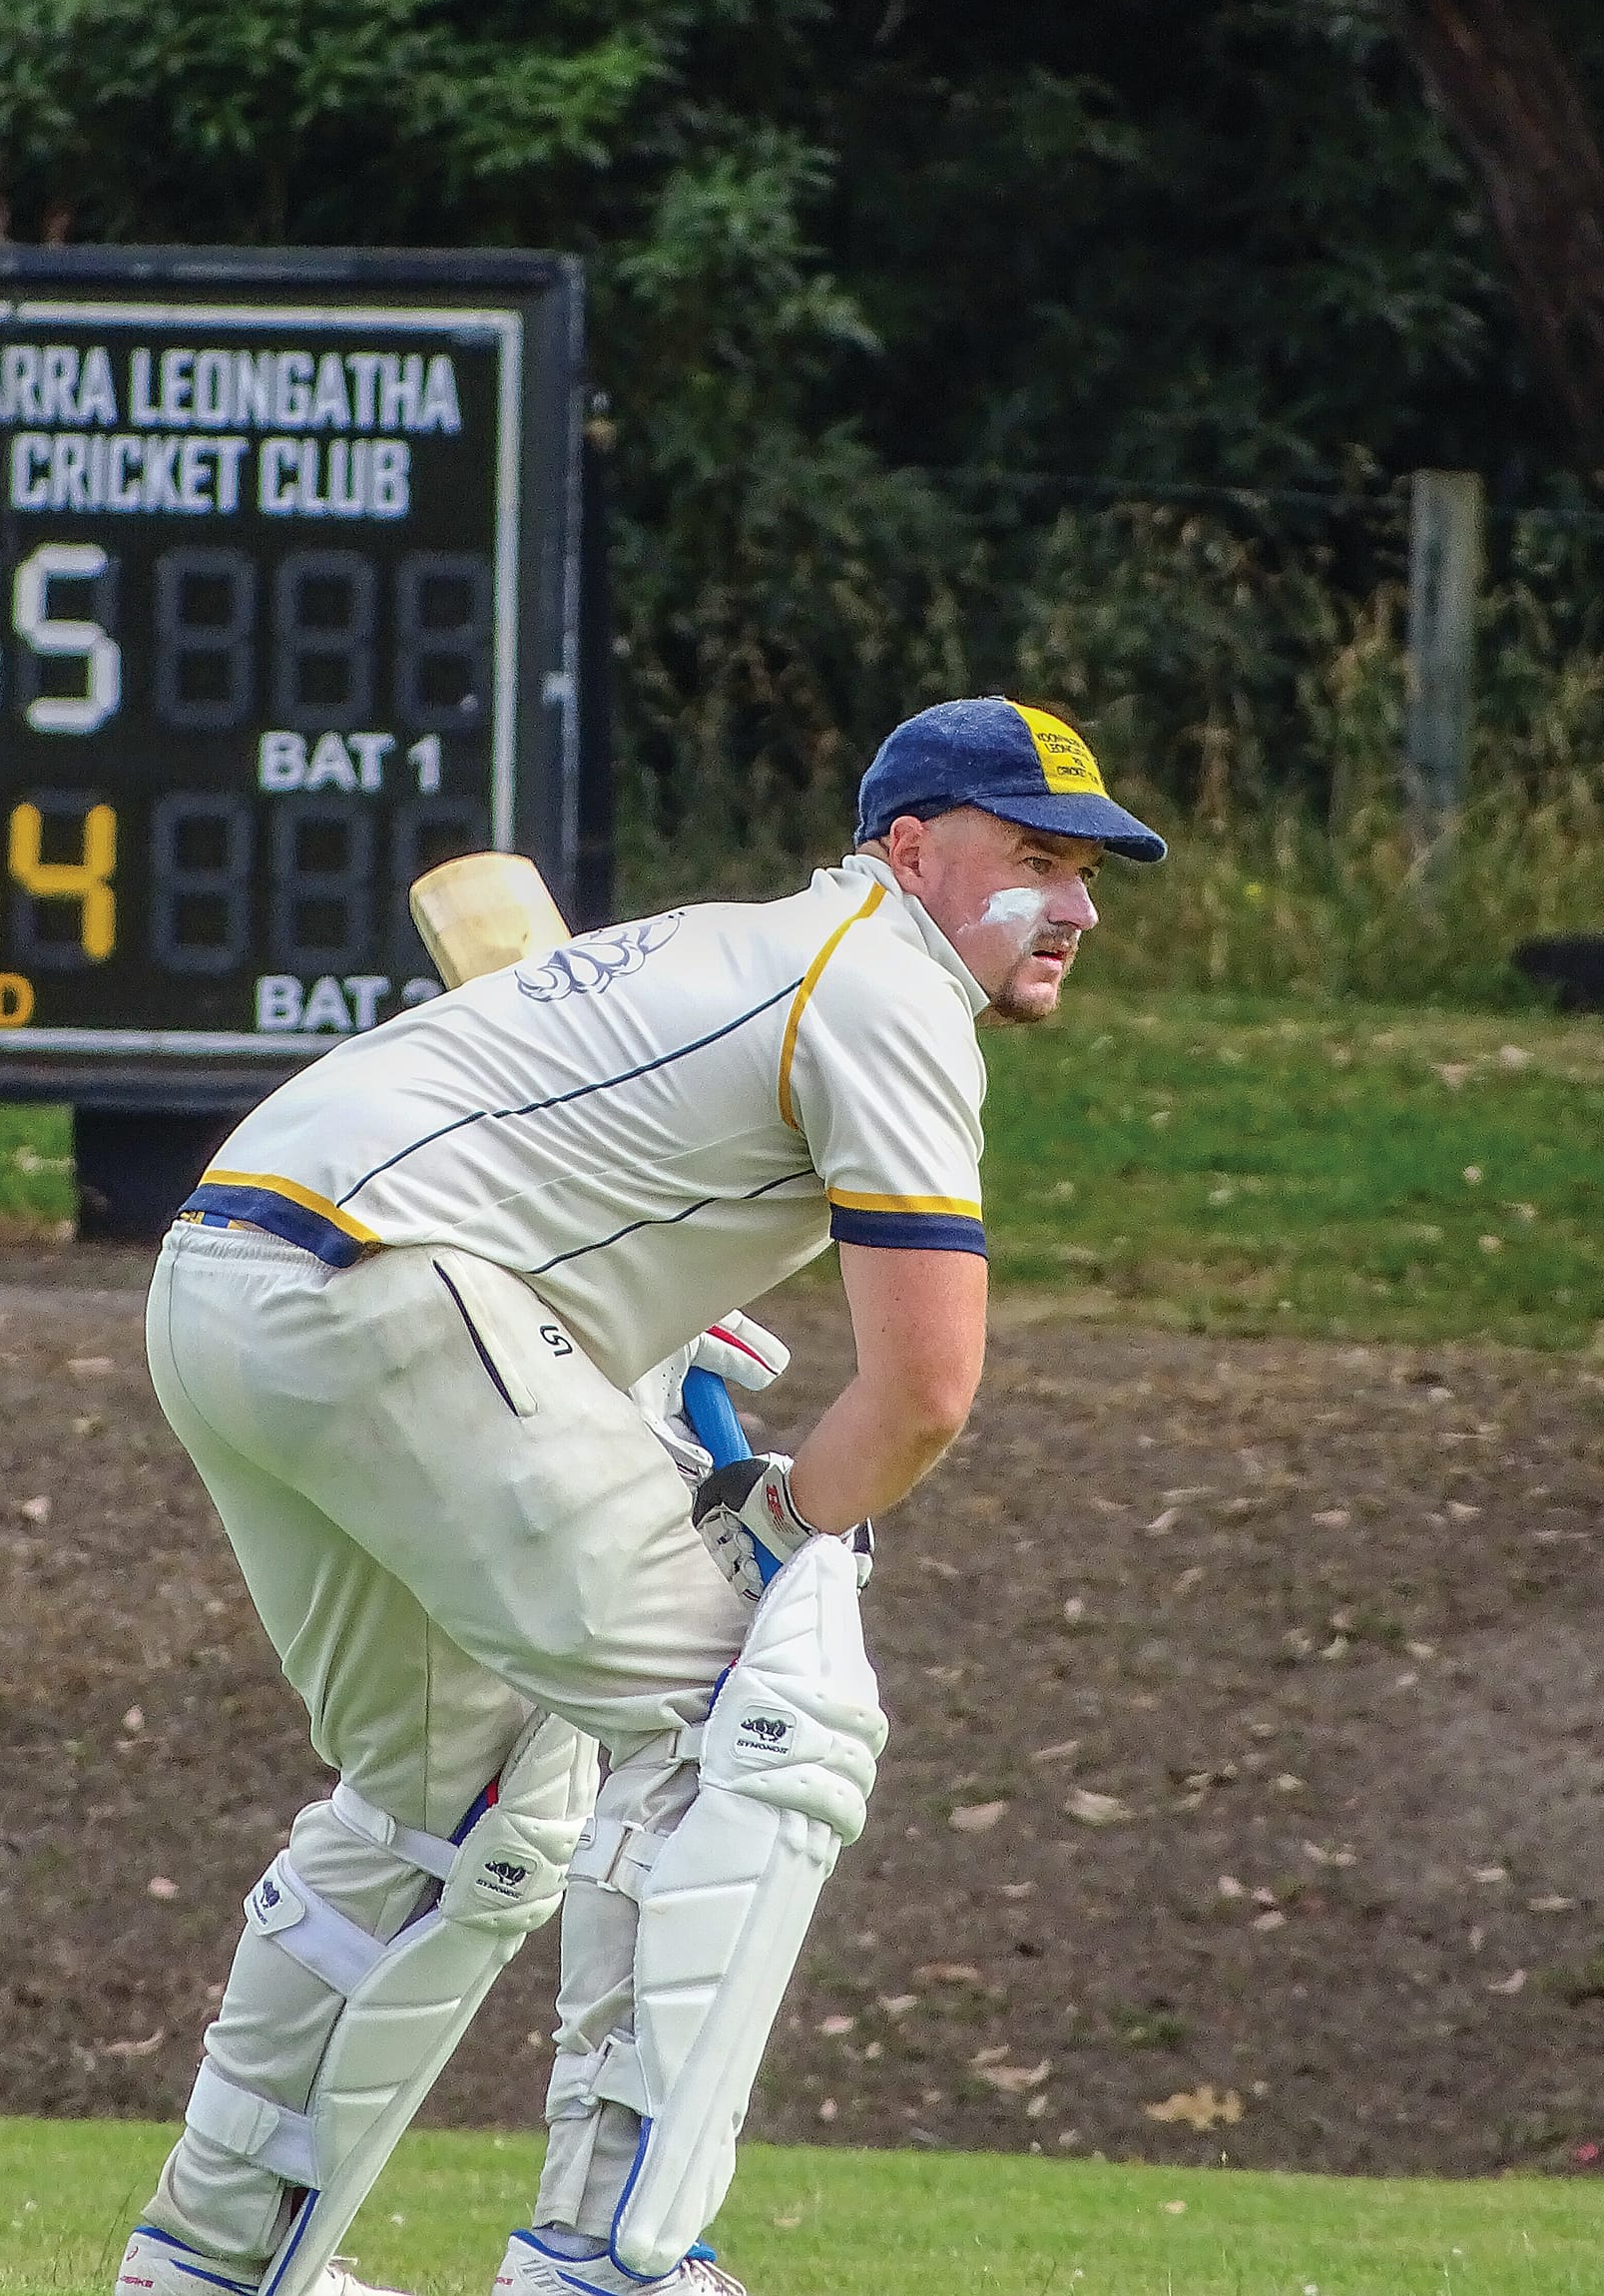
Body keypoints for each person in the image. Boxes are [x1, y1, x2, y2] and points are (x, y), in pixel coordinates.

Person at [113, 698, 1166, 2296]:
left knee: (455, 1803)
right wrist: (777, 1528)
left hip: (229, 1279)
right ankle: (613, 2259)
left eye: (1089, 870)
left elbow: (541, 1169)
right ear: (908, 850)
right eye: (1035, 857)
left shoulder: (735, 947)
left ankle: (209, 2261)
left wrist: (635, 1324)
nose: (1076, 906)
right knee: (751, 1714)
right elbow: (926, 1390)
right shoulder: (886, 984)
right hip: (392, 1288)